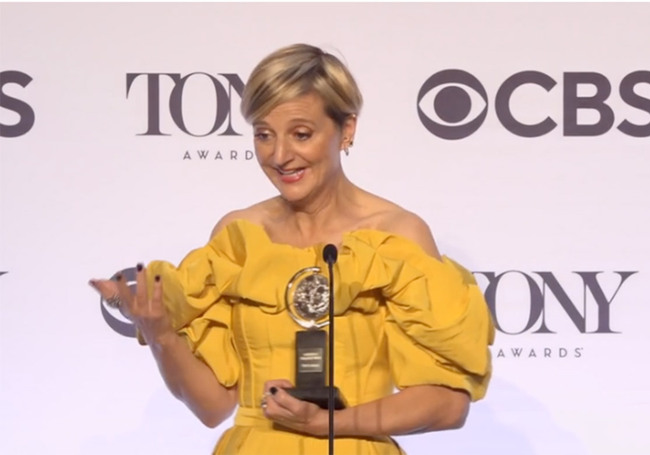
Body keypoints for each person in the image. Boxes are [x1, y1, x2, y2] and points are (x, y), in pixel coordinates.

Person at [90, 43, 494, 455]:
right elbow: (212, 406)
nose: (280, 156)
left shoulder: (395, 236)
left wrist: (328, 424)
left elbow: (447, 405)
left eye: (301, 134)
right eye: (264, 135)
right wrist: (159, 335)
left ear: (347, 129)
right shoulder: (239, 236)